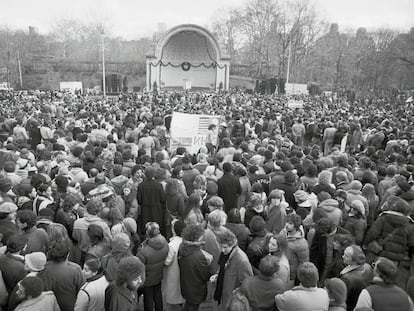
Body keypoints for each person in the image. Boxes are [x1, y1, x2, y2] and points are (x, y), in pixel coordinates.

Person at [213, 228, 253, 311]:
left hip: (231, 301)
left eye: (225, 247)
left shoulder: (242, 260)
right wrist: (217, 275)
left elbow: (247, 283)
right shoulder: (225, 253)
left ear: (233, 244)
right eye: (220, 247)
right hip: (221, 295)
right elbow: (222, 268)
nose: (222, 250)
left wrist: (236, 295)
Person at [38, 241, 85, 311]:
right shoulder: (75, 269)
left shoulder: (44, 269)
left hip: (49, 307)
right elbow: (82, 291)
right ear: (68, 254)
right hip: (70, 307)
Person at [178, 224, 214, 311]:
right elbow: (205, 275)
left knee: (188, 305)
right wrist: (208, 263)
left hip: (186, 285)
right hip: (196, 289)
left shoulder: (182, 247)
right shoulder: (198, 256)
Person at [136, 222, 169, 311]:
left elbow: (139, 266)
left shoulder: (143, 251)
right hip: (158, 275)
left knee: (148, 299)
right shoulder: (165, 243)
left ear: (147, 233)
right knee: (158, 295)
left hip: (147, 279)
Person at [339, 245, 373, 311]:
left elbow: (340, 298)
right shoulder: (368, 266)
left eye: (347, 256)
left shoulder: (347, 279)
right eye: (344, 254)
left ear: (354, 261)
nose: (343, 257)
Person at [137, 166, 167, 237]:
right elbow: (163, 198)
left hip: (145, 210)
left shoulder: (141, 186)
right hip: (157, 210)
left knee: (147, 228)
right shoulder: (158, 185)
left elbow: (139, 199)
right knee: (157, 228)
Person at [163, 220, 186, 311]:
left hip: (173, 273)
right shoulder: (186, 242)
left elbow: (167, 261)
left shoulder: (172, 245)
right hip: (184, 273)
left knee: (174, 295)